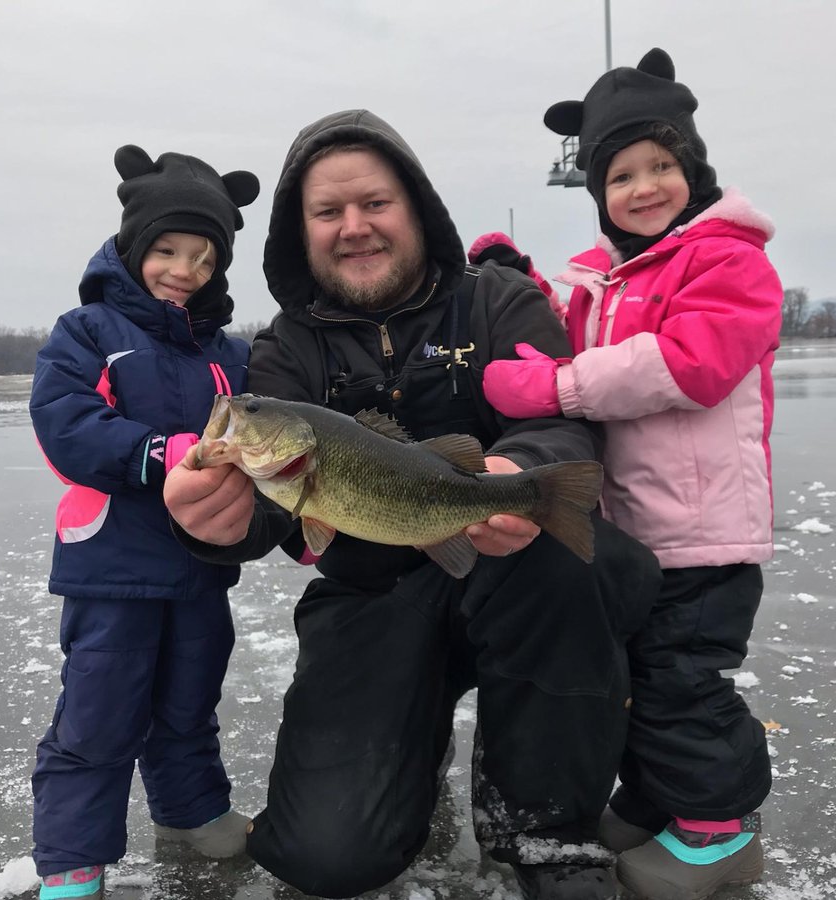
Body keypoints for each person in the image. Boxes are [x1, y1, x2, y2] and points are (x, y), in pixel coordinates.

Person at [162, 109, 661, 900]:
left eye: (375, 204)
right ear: (302, 230)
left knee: (585, 565)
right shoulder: (286, 349)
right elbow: (273, 508)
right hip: (371, 596)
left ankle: (546, 831)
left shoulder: (499, 300)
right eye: (328, 212)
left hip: (512, 577)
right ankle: (409, 738)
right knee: (326, 858)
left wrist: (519, 468)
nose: (353, 227)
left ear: (417, 207)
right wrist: (216, 523)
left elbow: (560, 427)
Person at [481, 48, 781, 900]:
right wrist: (514, 277)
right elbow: (578, 330)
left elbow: (688, 365)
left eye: (661, 166)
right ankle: (657, 798)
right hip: (639, 526)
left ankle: (719, 832)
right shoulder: (610, 278)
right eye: (620, 176)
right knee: (640, 677)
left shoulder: (729, 259)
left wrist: (550, 385)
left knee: (683, 683)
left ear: (693, 167)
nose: (643, 187)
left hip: (704, 531)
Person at [27, 144, 260, 900]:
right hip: (113, 568)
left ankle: (193, 809)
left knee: (190, 699)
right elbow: (68, 426)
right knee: (99, 712)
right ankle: (72, 859)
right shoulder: (88, 331)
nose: (184, 270)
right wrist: (166, 453)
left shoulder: (227, 353)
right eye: (167, 250)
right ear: (133, 248)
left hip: (199, 568)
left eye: (203, 257)